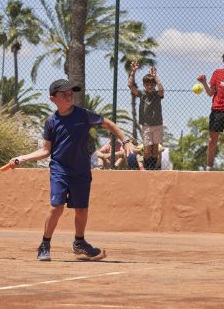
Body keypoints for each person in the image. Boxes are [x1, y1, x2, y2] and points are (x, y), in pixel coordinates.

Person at [9, 79, 136, 261]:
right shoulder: (51, 122)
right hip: (60, 170)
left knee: (82, 209)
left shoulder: (83, 115)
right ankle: (45, 244)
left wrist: (125, 141)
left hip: (82, 171)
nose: (70, 95)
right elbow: (46, 150)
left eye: (71, 93)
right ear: (53, 99)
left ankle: (79, 242)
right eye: (64, 93)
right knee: (56, 207)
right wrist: (22, 158)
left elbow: (108, 124)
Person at [128, 62, 164, 170]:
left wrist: (155, 77)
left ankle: (152, 168)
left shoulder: (157, 94)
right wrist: (133, 71)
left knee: (155, 149)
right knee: (147, 149)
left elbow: (161, 89)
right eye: (147, 84)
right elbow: (130, 85)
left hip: (157, 125)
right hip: (146, 125)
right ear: (144, 85)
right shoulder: (142, 94)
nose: (150, 86)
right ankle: (147, 167)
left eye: (152, 84)